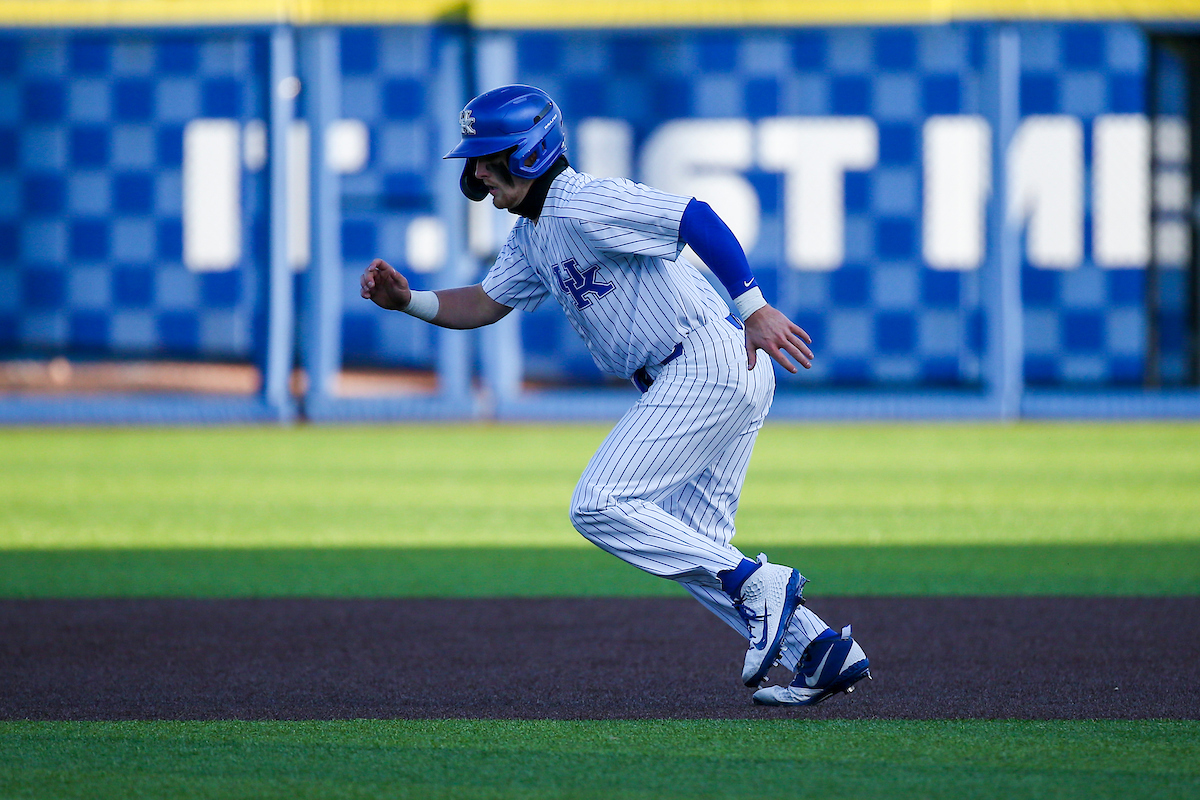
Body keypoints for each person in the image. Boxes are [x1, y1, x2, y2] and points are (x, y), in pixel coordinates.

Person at [361, 84, 869, 706]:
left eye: (488, 157)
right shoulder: (533, 232)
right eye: (474, 159)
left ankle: (757, 582)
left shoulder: (583, 201)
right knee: (691, 540)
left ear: (528, 153)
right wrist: (407, 302)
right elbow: (486, 303)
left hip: (702, 361)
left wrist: (756, 306)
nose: (477, 172)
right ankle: (819, 649)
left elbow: (696, 217)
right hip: (710, 370)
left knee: (599, 503)